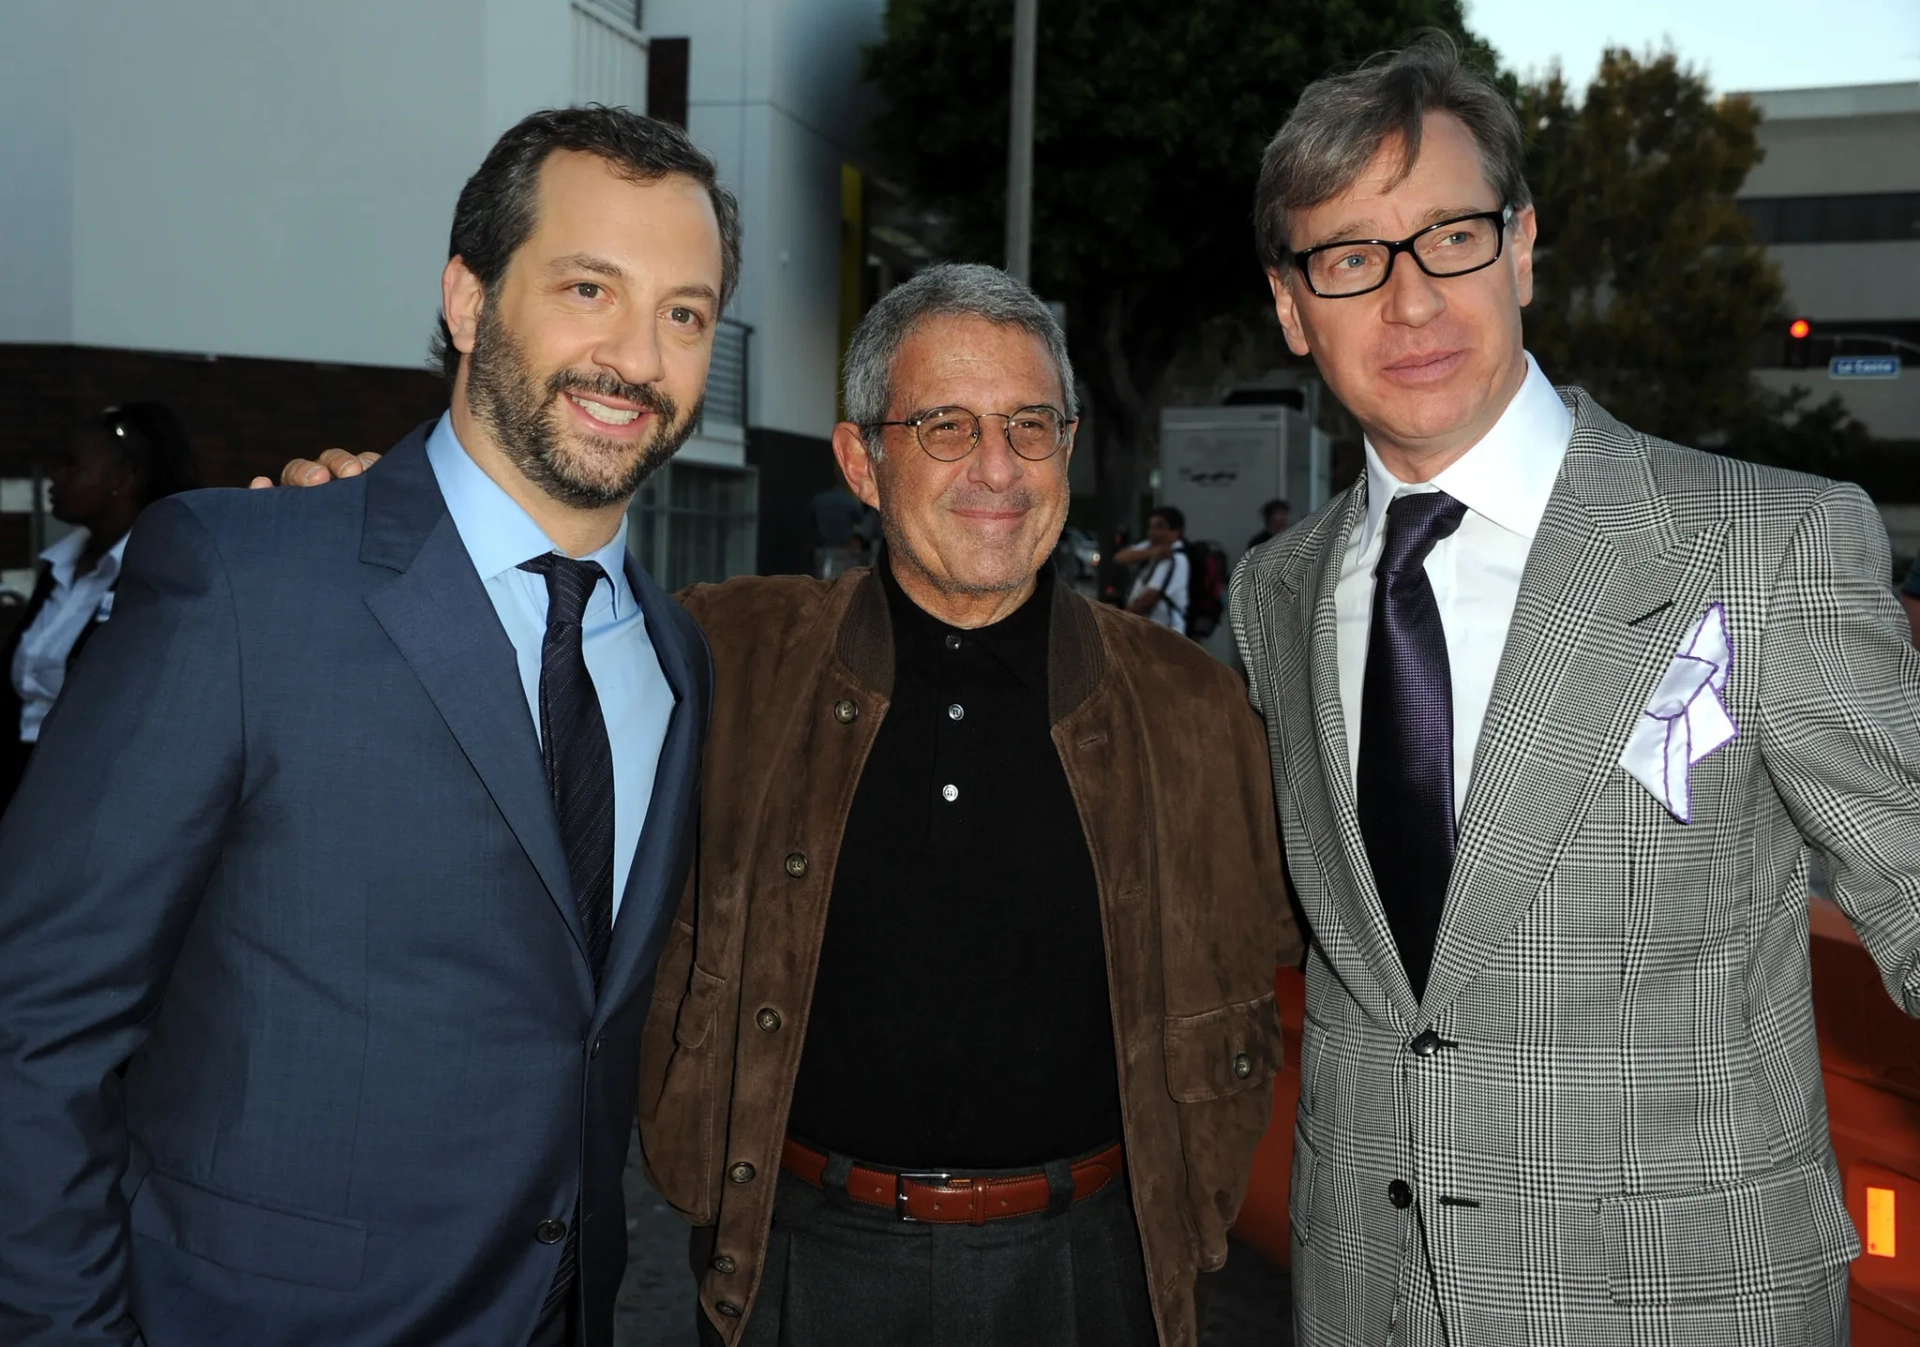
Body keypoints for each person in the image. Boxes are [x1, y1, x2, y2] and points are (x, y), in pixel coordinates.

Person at [286, 265, 1298, 1344]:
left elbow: (1280, 966)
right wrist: (368, 549)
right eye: (946, 426)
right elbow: (505, 686)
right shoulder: (724, 657)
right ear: (863, 461)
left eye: (1030, 425)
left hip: (1096, 1270)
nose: (997, 467)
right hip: (805, 1262)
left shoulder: (1190, 705)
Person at [0, 106, 737, 1347]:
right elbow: (33, 1023)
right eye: (588, 287)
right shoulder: (243, 582)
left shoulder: (678, 660)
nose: (637, 355)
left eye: (686, 312)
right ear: (467, 298)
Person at [1230, 37, 1920, 1346]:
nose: (1411, 301)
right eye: (1349, 258)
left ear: (1523, 244)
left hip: (1679, 1308)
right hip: (1361, 1294)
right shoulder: (1272, 595)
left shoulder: (1766, 544)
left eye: (1449, 236)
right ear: (1290, 306)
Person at [1, 402, 200, 813]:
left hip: (90, 795)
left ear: (125, 478)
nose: (56, 477)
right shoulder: (58, 567)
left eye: (72, 465)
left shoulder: (160, 575)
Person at [1113, 506, 1190, 633]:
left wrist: (1120, 623)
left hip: (1165, 635)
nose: (1152, 532)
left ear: (1175, 532)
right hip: (1149, 631)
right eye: (1151, 527)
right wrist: (1153, 553)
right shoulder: (1152, 548)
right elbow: (1120, 557)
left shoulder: (1175, 559)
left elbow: (1149, 598)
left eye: (1159, 527)